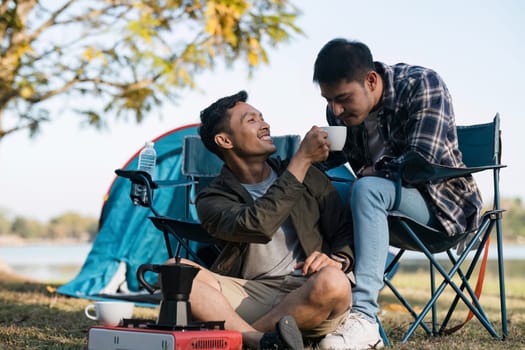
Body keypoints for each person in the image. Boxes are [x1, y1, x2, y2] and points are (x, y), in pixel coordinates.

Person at [312, 38, 483, 350]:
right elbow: (341, 158)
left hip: (442, 211)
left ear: (371, 80)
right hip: (383, 213)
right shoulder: (339, 112)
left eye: (343, 99)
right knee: (323, 186)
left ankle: (364, 318)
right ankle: (323, 301)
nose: (336, 110)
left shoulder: (422, 84)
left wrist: (374, 171)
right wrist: (308, 156)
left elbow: (421, 162)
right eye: (329, 100)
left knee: (366, 187)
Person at [178, 90, 355, 349]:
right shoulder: (212, 198)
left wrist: (338, 259)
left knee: (334, 281)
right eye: (251, 120)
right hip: (251, 293)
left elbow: (344, 229)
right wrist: (302, 159)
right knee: (176, 271)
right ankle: (261, 341)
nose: (265, 125)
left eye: (262, 118)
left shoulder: (309, 176)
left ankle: (243, 339)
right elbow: (257, 225)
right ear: (225, 140)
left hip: (310, 288)